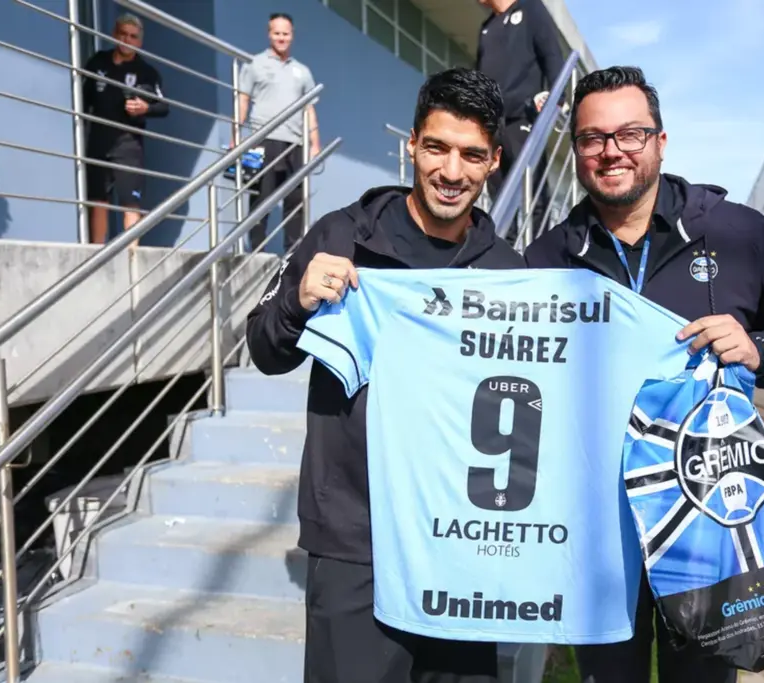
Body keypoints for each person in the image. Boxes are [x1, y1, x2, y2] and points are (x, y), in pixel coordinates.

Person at [523, 66, 764, 683]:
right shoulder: (547, 258)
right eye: (592, 138)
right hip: (595, 530)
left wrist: (758, 348)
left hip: (706, 520)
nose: (611, 150)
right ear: (576, 153)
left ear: (661, 142)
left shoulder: (736, 233)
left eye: (630, 134)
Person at [245, 67, 522, 682]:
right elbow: (263, 347)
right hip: (353, 537)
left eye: (472, 155)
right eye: (437, 148)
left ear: (495, 161)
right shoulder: (340, 235)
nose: (452, 172)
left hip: (462, 540)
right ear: (412, 145)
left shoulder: (509, 272)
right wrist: (297, 301)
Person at [475, 0, 565, 241]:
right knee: (499, 196)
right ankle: (506, 257)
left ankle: (541, 257)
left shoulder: (531, 8)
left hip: (522, 116)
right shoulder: (486, 27)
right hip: (491, 123)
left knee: (533, 192)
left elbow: (552, 53)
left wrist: (557, 97)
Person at [238, 12, 321, 254]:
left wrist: (315, 144)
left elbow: (309, 109)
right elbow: (243, 100)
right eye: (277, 33)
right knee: (261, 196)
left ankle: (293, 251)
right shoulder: (256, 64)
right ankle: (256, 249)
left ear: (292, 36)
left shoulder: (302, 71)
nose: (281, 38)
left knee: (296, 201)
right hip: (264, 138)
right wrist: (237, 135)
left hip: (295, 142)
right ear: (269, 34)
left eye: (286, 33)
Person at [82, 13, 168, 245]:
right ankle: (96, 253)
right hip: (98, 141)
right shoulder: (97, 62)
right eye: (123, 34)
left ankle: (132, 257)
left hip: (129, 146)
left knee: (130, 201)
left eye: (133, 36)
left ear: (139, 41)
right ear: (114, 34)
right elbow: (81, 97)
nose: (127, 40)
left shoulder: (147, 72)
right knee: (99, 200)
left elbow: (164, 106)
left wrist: (144, 108)